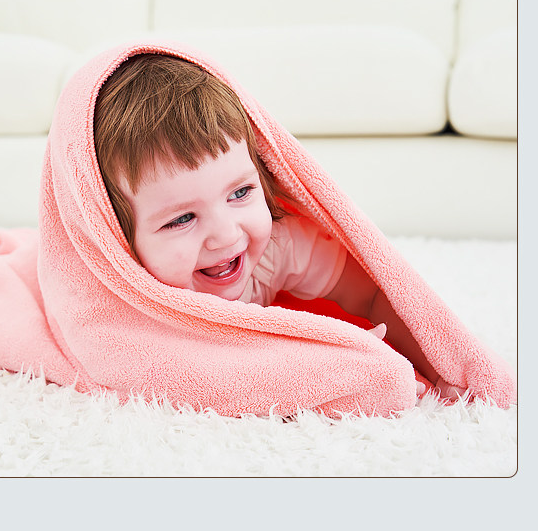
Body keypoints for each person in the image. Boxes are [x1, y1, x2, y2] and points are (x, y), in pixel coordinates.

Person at [94, 53, 460, 398]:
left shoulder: (277, 247)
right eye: (182, 219)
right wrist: (346, 375)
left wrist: (442, 368)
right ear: (118, 236)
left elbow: (374, 295)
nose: (227, 235)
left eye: (240, 192)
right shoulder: (118, 318)